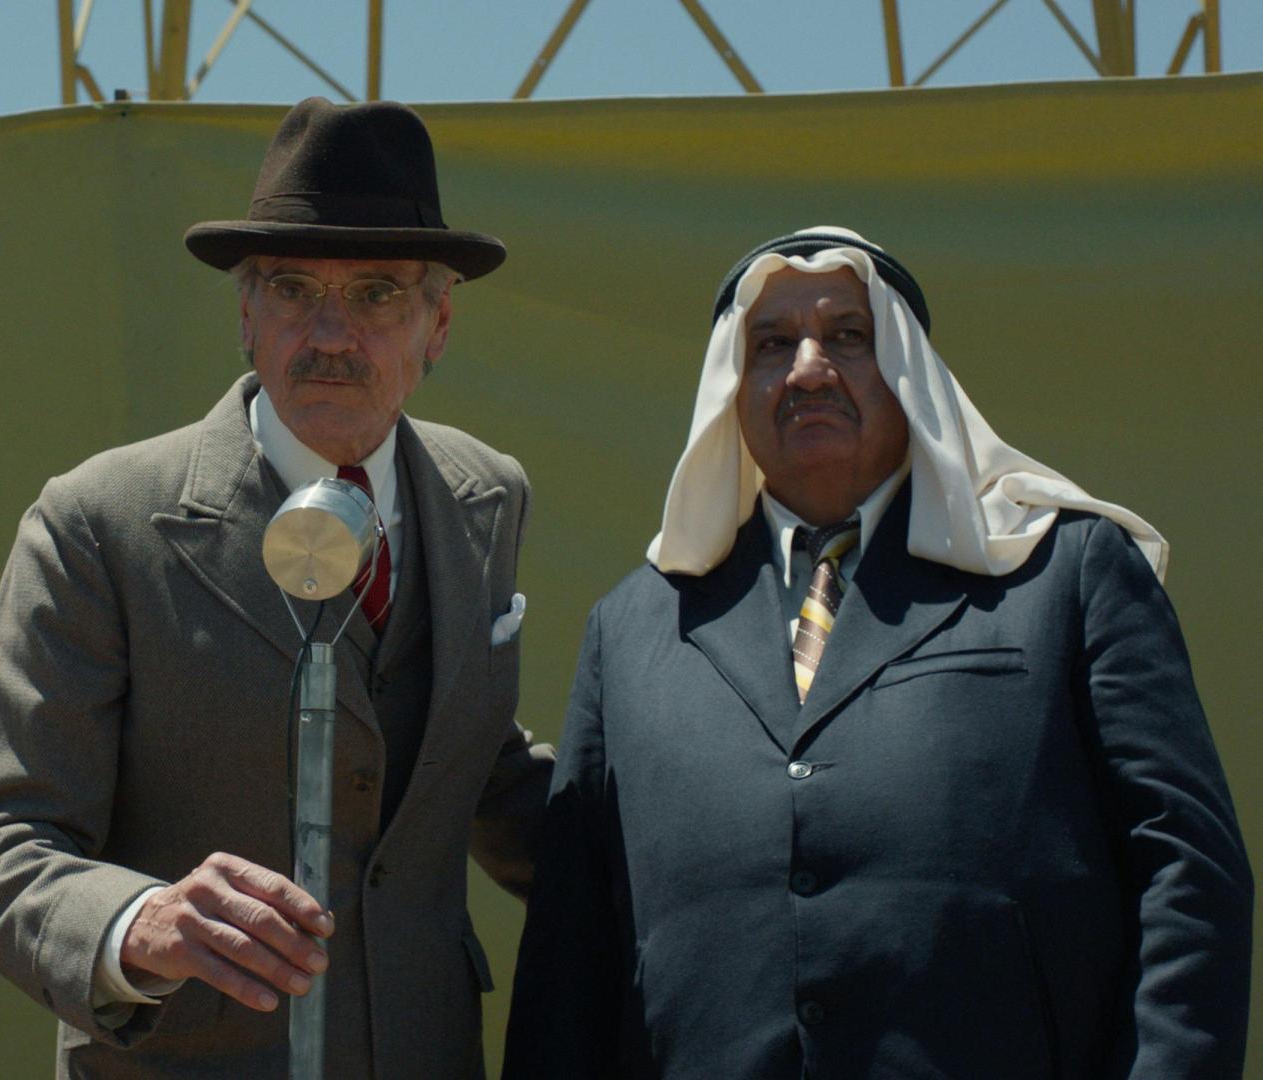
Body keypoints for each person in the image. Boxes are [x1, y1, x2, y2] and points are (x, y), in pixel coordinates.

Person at [502, 226, 1252, 1078]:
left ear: (912, 374)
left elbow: (1186, 870)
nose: (808, 369)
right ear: (728, 389)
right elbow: (571, 954)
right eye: (771, 344)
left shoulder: (1063, 573)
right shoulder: (634, 627)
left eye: (848, 336)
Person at [0, 97, 552, 1078]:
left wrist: (718, 852)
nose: (331, 333)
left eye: (377, 294)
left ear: (438, 323)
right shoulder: (99, 522)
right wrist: (140, 922)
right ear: (245, 313)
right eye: (293, 288)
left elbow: (475, 770)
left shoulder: (488, 497)